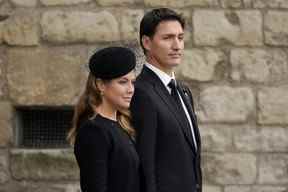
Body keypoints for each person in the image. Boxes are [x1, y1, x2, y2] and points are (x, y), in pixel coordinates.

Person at [130, 8, 202, 192]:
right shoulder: (141, 93)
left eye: (180, 37)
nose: (177, 45)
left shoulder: (183, 91)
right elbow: (145, 165)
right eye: (168, 38)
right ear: (147, 42)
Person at [67, 47, 139, 192]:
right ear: (100, 85)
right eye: (123, 82)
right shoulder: (93, 131)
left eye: (133, 82)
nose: (131, 89)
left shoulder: (120, 125)